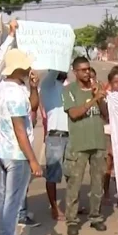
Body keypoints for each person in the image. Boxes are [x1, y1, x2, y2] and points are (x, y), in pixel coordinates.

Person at [0, 42, 41, 235]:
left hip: (4, 152)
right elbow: (20, 130)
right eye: (26, 66)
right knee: (13, 202)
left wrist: (34, 87)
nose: (29, 69)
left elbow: (32, 106)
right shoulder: (15, 95)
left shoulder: (4, 88)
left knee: (4, 200)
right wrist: (33, 160)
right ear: (19, 68)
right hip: (17, 155)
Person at [62, 57, 109, 235]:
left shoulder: (97, 88)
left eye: (88, 69)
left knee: (97, 183)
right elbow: (74, 113)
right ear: (75, 72)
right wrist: (93, 98)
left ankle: (96, 216)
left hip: (98, 142)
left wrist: (100, 98)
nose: (87, 72)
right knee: (74, 184)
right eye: (83, 70)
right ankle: (72, 220)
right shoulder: (69, 90)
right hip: (79, 144)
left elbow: (105, 114)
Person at [41, 70, 70, 220]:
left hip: (71, 135)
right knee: (52, 175)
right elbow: (53, 71)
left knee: (73, 174)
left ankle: (72, 206)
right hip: (55, 136)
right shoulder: (48, 85)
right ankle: (54, 208)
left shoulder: (67, 87)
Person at [103, 67, 118, 205]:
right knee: (108, 164)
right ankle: (105, 191)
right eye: (115, 82)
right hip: (108, 132)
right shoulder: (106, 96)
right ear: (110, 82)